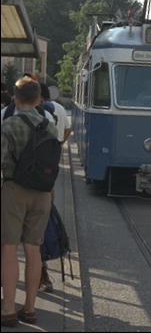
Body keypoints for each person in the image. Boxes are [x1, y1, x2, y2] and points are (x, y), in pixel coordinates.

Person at [1, 77, 58, 327]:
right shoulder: (50, 125)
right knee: (33, 248)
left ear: (15, 98)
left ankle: (8, 309)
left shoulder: (9, 125)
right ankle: (30, 308)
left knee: (9, 247)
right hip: (43, 194)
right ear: (38, 99)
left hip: (14, 190)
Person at [39, 83, 72, 293]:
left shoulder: (9, 114)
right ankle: (43, 276)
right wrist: (60, 144)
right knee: (37, 234)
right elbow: (67, 129)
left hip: (13, 184)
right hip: (44, 179)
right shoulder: (54, 113)